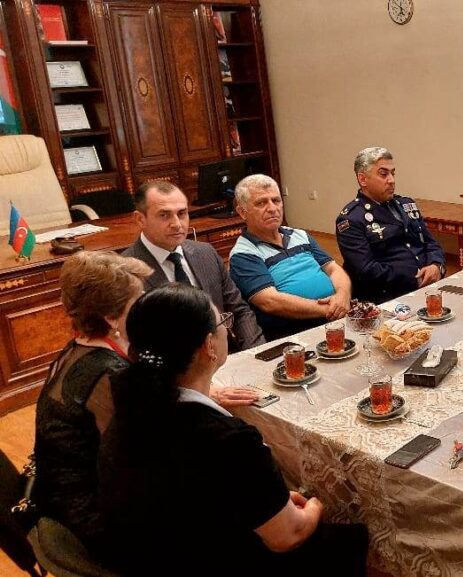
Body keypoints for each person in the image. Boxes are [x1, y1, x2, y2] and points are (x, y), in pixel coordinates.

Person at [97, 285, 369, 576]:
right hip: (214, 561)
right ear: (209, 346)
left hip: (149, 556)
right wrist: (318, 504)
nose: (228, 329)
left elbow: (207, 490)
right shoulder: (227, 439)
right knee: (352, 534)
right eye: (223, 323)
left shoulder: (128, 411)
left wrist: (268, 501)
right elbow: (288, 536)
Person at [32, 251, 151, 548]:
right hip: (95, 523)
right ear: (110, 317)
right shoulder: (109, 376)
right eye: (138, 303)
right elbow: (148, 457)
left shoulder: (78, 349)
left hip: (63, 498)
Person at [122, 180, 265, 351]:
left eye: (182, 213)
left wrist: (256, 352)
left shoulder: (205, 253)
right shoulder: (126, 272)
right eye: (164, 215)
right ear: (140, 219)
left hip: (225, 355)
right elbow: (134, 342)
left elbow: (240, 311)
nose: (177, 224)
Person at [230, 174, 353, 340]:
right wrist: (329, 309)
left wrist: (343, 295)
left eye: (276, 200)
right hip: (297, 335)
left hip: (337, 317)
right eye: (261, 203)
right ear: (242, 212)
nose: (272, 208)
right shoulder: (243, 254)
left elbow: (333, 268)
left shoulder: (299, 234)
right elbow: (270, 301)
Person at [336, 147, 447, 303]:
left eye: (393, 173)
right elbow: (366, 271)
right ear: (363, 179)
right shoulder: (351, 219)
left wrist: (436, 265)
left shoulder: (406, 204)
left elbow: (430, 243)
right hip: (389, 297)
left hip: (428, 287)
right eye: (383, 174)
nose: (391, 180)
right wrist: (415, 278)